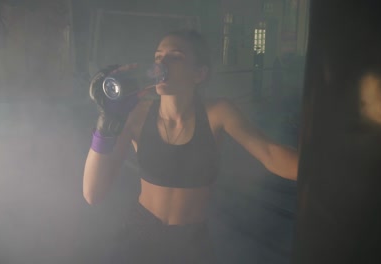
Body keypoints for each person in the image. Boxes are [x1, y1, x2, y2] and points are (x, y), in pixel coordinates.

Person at [83, 29, 299, 263]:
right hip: (140, 234)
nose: (161, 63)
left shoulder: (218, 112)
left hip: (191, 242)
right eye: (158, 57)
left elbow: (270, 153)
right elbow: (93, 194)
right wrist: (105, 124)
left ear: (199, 74)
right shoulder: (137, 114)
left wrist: (329, 172)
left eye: (175, 56)